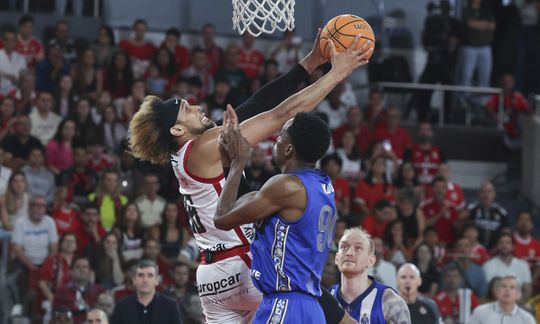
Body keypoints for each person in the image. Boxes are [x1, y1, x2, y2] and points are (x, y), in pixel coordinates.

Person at [128, 29, 372, 323]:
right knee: (304, 296)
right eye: (186, 109)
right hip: (243, 264)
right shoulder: (205, 146)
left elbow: (255, 106)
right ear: (177, 130)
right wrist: (335, 74)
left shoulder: (185, 156)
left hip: (210, 280)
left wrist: (307, 65)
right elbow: (281, 115)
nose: (195, 105)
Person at [214, 107, 357, 324]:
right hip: (312, 310)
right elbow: (249, 202)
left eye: (281, 135)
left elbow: (222, 217)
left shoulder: (286, 186)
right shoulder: (321, 186)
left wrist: (237, 163)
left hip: (285, 305)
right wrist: (230, 164)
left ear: (289, 149)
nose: (276, 140)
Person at [329, 227, 411, 323]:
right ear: (336, 258)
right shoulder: (324, 297)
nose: (349, 253)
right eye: (343, 247)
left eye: (358, 248)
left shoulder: (390, 301)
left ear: (371, 260)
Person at [110, 259, 183, 324]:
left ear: (157, 280)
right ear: (134, 280)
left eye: (150, 275)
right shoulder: (122, 306)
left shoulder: (170, 306)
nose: (145, 280)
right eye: (141, 275)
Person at [53, 257, 105, 324]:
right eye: (78, 267)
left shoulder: (99, 290)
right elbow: (57, 317)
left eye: (85, 267)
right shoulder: (62, 292)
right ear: (71, 272)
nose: (82, 270)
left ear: (90, 271)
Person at [483, 233, 532, 302]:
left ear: (513, 246)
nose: (504, 245)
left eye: (507, 243)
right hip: (497, 304)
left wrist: (517, 305)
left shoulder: (523, 265)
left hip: (519, 304)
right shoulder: (488, 265)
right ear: (497, 246)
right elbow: (490, 291)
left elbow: (527, 289)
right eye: (501, 243)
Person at [468, 275, 535, 324]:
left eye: (512, 287)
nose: (507, 290)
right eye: (503, 286)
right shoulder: (480, 311)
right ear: (497, 292)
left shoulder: (527, 318)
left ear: (518, 295)